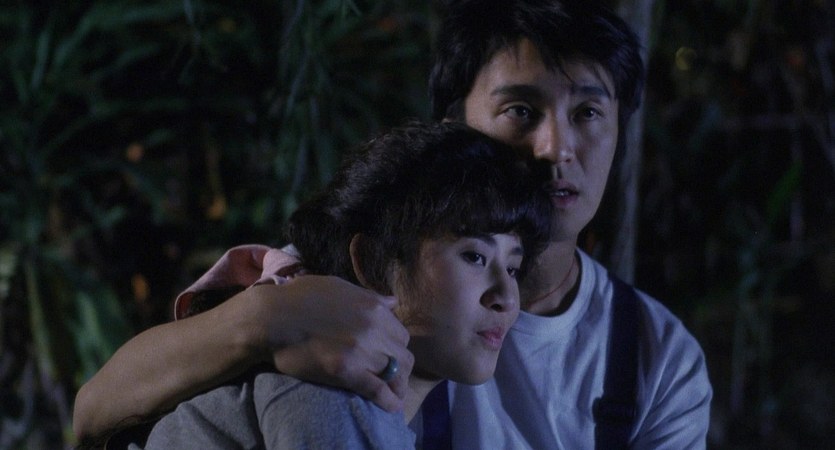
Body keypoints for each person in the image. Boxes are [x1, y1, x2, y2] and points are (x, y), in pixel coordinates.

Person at [74, 1, 713, 448]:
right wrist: (265, 317)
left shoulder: (655, 358)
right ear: (453, 127)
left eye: (588, 113)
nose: (553, 149)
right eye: (521, 110)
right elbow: (94, 412)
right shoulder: (345, 286)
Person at [136, 122, 552, 448]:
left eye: (513, 268)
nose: (505, 297)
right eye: (474, 257)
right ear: (372, 262)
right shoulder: (332, 390)